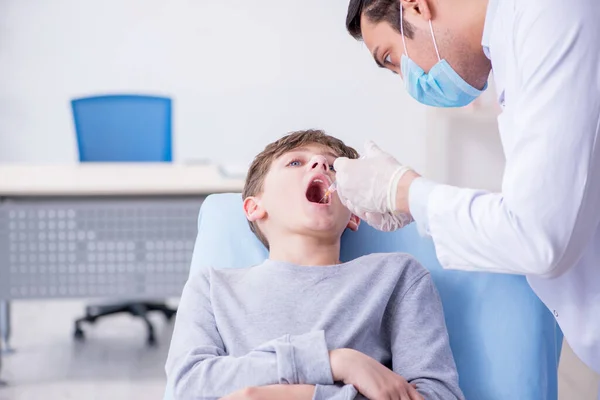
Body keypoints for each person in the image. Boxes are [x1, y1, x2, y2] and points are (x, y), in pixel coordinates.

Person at [335, 0, 600, 380]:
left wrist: (405, 191)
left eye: (392, 58)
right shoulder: (513, 41)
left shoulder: (550, 15)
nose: (408, 79)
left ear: (415, 6)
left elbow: (539, 237)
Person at [165, 129, 465, 400]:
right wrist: (337, 362)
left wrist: (282, 396)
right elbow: (187, 386)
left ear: (354, 215)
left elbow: (438, 396)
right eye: (295, 162)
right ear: (254, 207)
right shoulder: (213, 288)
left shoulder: (397, 276)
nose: (321, 165)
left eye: (333, 166)